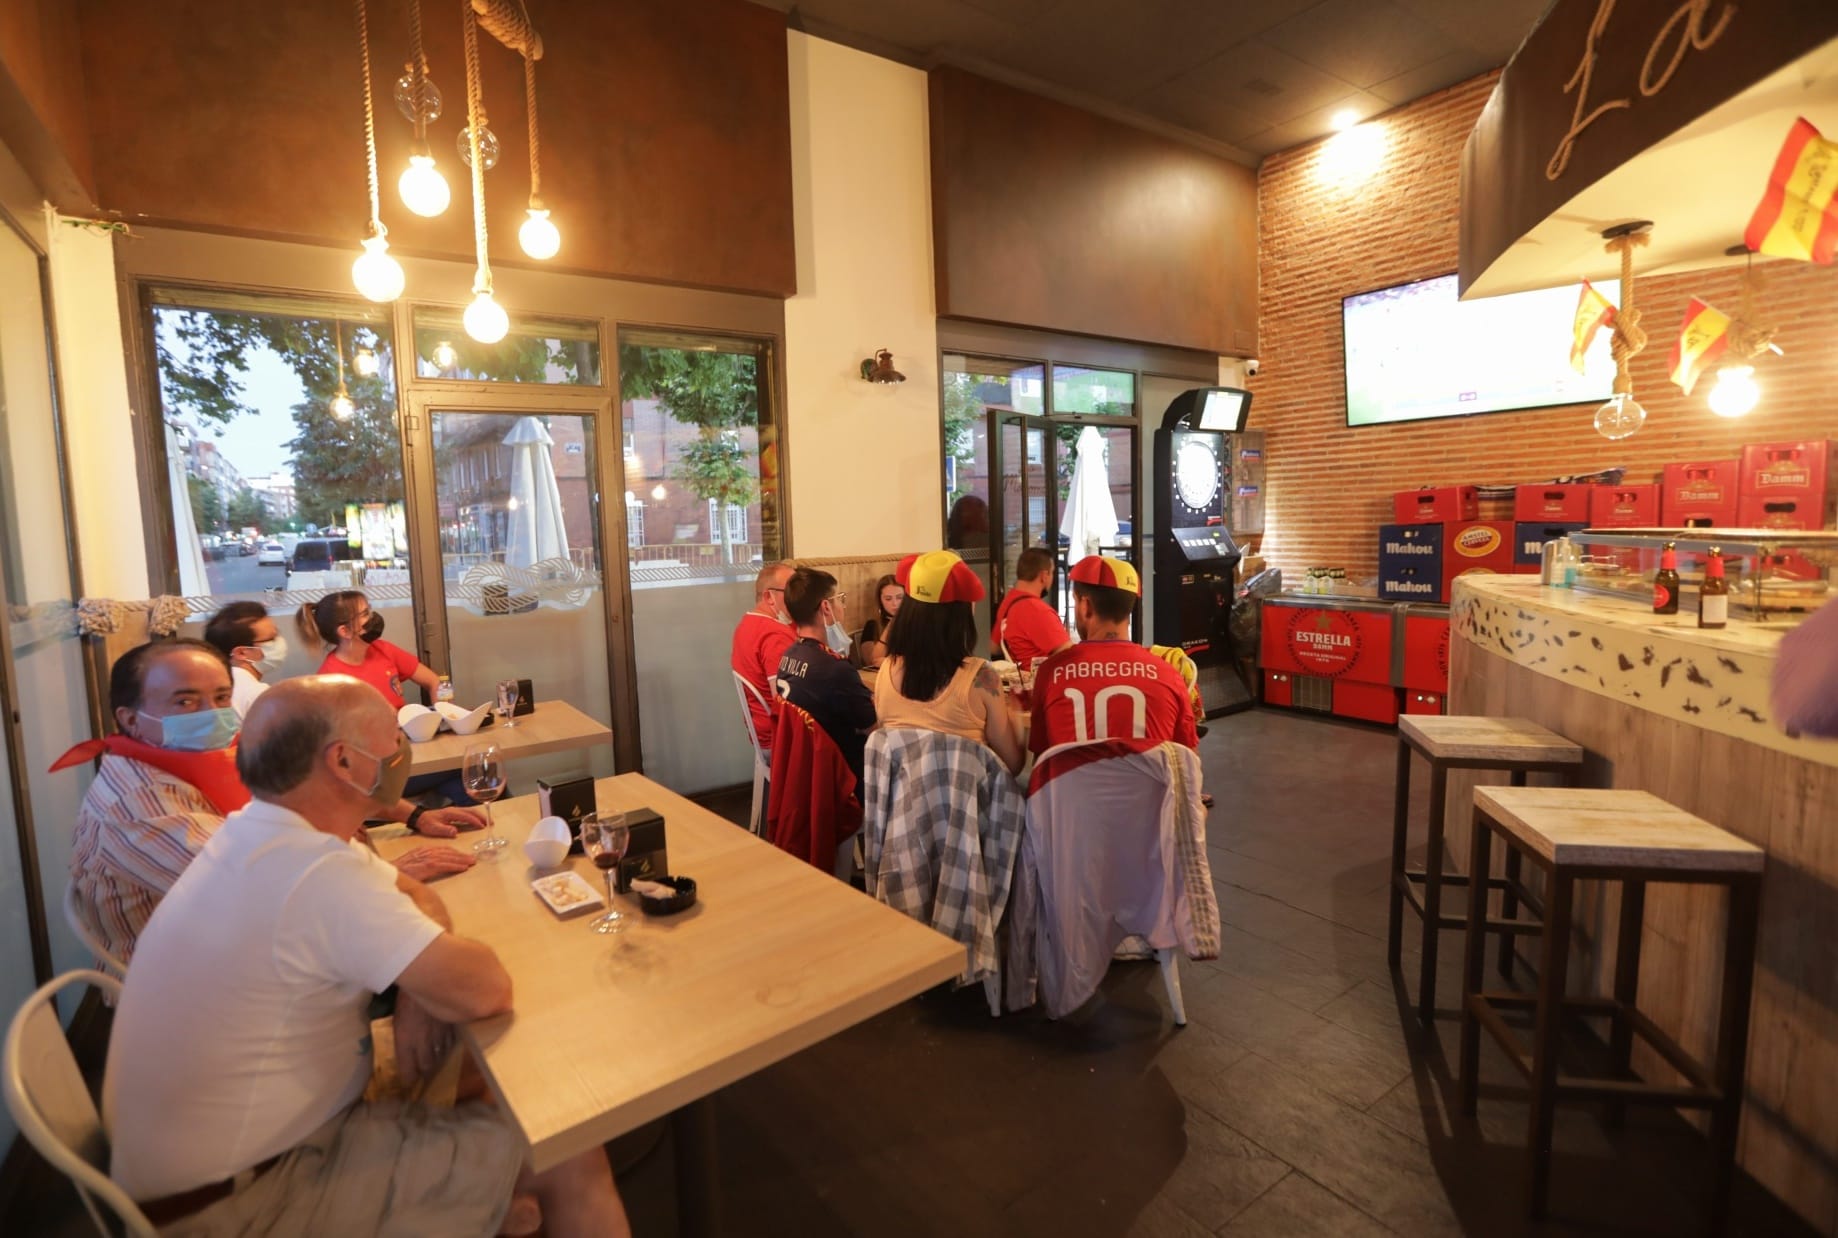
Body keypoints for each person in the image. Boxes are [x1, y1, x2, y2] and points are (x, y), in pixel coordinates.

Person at [104, 677, 629, 1236]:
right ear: (345, 762)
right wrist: (429, 980)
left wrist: (418, 991)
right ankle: (508, 1200)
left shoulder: (259, 835)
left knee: (472, 1061)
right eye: (391, 739)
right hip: (244, 1204)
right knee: (567, 1147)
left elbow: (416, 896)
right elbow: (486, 988)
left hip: (218, 1163)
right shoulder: (316, 872)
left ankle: (494, 1205)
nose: (402, 752)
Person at [57, 640, 479, 966]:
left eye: (221, 698)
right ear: (129, 719)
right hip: (208, 990)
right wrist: (383, 876)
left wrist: (416, 814)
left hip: (256, 942)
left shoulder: (195, 756)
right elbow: (272, 897)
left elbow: (314, 785)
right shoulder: (138, 803)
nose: (212, 712)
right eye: (186, 702)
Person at [1029, 555, 1198, 773]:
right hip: (1150, 806)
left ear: (1085, 606)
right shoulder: (1168, 675)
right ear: (1129, 607)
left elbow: (1041, 762)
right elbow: (1189, 764)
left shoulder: (1050, 673)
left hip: (1072, 806)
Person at [874, 550, 1025, 777]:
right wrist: (1016, 719)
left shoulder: (885, 670)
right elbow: (1013, 765)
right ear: (961, 616)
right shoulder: (981, 677)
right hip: (969, 810)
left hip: (905, 809)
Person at [775, 567, 876, 781]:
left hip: (808, 770)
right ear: (826, 607)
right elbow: (874, 727)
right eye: (840, 599)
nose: (843, 606)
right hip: (845, 773)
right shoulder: (834, 669)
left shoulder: (788, 656)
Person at [300, 591, 437, 710]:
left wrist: (446, 716)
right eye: (365, 614)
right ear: (345, 631)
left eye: (369, 610)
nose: (373, 617)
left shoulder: (384, 649)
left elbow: (434, 682)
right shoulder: (330, 678)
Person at [731, 560, 797, 751]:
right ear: (769, 596)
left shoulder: (746, 624)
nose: (797, 598)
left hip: (760, 732)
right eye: (792, 592)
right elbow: (785, 699)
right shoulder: (774, 634)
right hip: (779, 739)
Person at [203, 600, 287, 718]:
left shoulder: (211, 684)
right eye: (272, 638)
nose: (279, 641)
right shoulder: (257, 695)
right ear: (241, 653)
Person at [993, 546, 1073, 668]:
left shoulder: (1008, 602)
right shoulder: (1037, 610)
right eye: (1052, 572)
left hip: (1019, 679)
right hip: (1041, 682)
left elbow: (994, 647)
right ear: (1044, 576)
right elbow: (1069, 655)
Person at [856, 573, 904, 669]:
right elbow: (871, 662)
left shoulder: (914, 622)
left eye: (899, 597)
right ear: (880, 600)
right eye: (888, 599)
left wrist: (890, 662)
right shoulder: (873, 625)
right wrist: (891, 625)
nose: (895, 603)